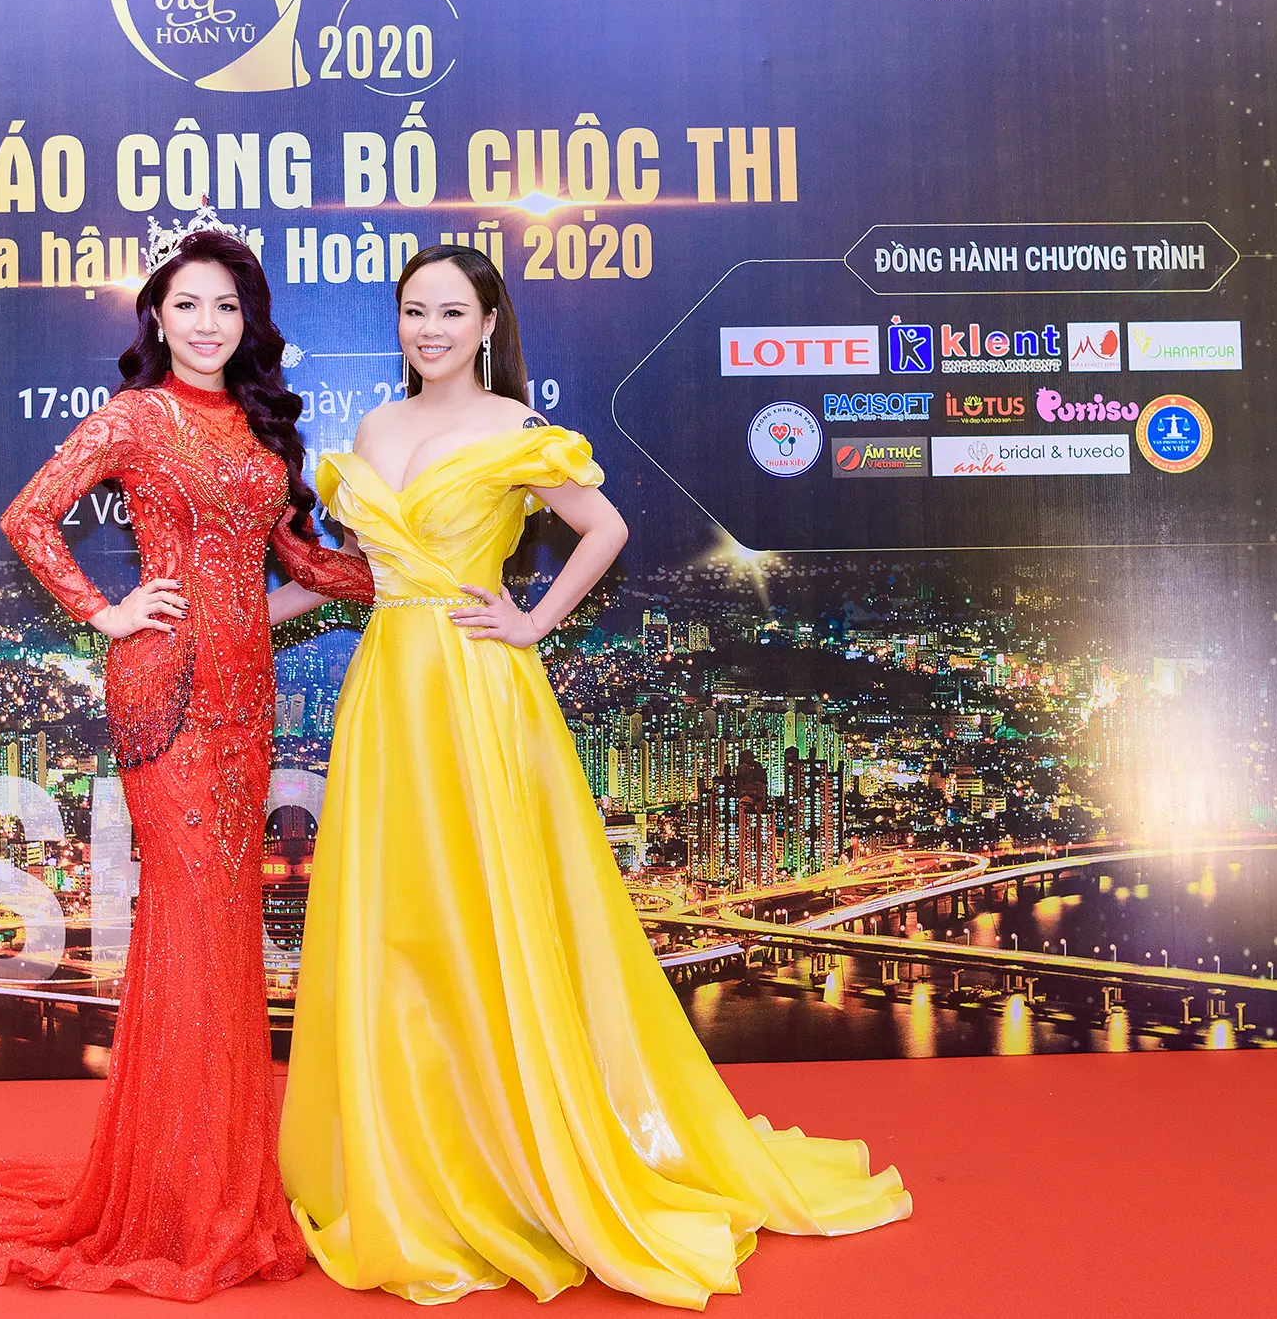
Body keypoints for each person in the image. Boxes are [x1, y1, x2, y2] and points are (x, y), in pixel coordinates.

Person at [272, 244, 912, 1309]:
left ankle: (517, 1159)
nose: (429, 330)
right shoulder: (375, 429)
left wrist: (530, 622)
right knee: (400, 917)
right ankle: (413, 1157)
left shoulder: (518, 429)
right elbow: (356, 571)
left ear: (488, 324)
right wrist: (233, 619)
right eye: (413, 311)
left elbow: (604, 527)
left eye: (450, 312)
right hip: (385, 688)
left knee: (488, 911)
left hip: (474, 687)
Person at [0, 219, 374, 1300]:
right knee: (190, 925)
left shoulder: (264, 431)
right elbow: (29, 517)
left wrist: (415, 571)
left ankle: (216, 1182)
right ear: (158, 319)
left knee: (223, 930)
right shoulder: (134, 416)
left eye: (226, 306)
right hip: (164, 693)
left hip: (246, 700)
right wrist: (107, 609)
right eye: (187, 306)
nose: (208, 324)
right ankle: (176, 1202)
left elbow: (302, 564)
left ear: (249, 321)